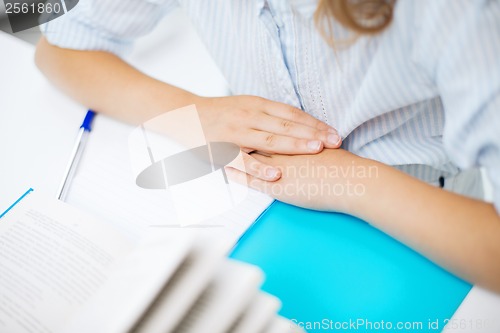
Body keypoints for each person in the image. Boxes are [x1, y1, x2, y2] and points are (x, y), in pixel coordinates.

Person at [35, 0, 500, 292]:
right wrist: (197, 113)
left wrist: (349, 181)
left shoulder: (454, 13)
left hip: (426, 225)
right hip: (251, 208)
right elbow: (60, 48)